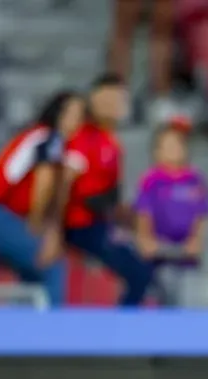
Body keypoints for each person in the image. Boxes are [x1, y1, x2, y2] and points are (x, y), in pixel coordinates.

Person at [0, 91, 87, 307]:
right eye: (70, 113)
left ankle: (19, 334)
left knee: (33, 276)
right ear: (56, 114)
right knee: (51, 263)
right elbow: (44, 182)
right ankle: (49, 335)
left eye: (80, 115)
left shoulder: (59, 146)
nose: (75, 120)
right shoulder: (48, 137)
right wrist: (39, 224)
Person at [57, 73, 153, 307]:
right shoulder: (84, 139)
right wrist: (54, 229)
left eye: (117, 100)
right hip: (81, 225)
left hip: (100, 222)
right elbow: (69, 186)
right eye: (105, 100)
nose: (112, 106)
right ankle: (120, 330)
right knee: (139, 273)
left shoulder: (111, 142)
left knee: (144, 267)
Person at [133, 120, 208, 306]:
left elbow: (202, 214)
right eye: (166, 146)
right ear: (156, 151)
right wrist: (145, 239)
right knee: (162, 300)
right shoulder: (151, 180)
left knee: (187, 302)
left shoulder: (195, 179)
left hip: (188, 258)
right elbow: (143, 212)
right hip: (160, 257)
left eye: (177, 144)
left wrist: (196, 240)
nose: (173, 150)